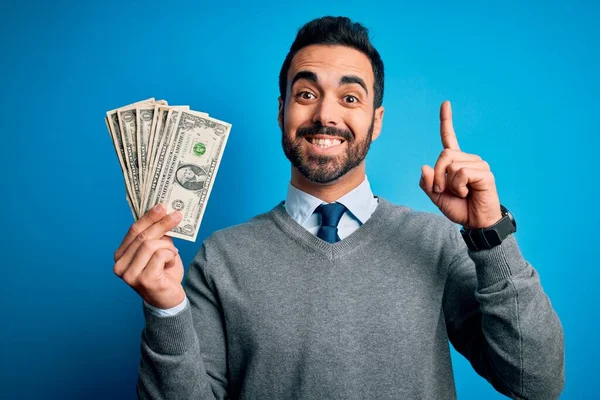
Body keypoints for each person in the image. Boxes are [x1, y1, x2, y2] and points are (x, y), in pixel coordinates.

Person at [113, 16, 565, 399]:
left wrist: (491, 234)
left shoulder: (436, 244)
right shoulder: (221, 259)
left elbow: (537, 381)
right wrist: (165, 309)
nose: (326, 115)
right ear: (282, 110)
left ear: (377, 121)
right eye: (306, 94)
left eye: (350, 98)